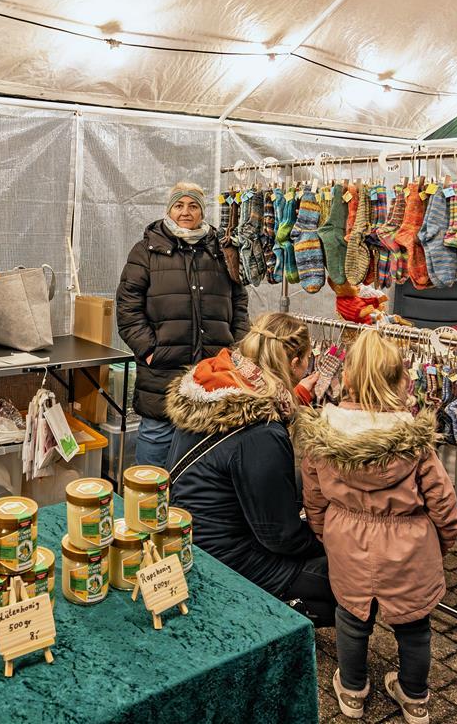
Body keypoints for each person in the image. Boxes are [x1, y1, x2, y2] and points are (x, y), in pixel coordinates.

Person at [297, 330, 457, 724]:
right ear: (400, 380)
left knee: (352, 619)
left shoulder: (323, 435)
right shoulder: (414, 441)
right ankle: (415, 698)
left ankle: (353, 691)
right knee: (415, 624)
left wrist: (324, 533)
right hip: (409, 544)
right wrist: (444, 540)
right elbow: (442, 499)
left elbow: (314, 496)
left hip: (348, 540)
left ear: (347, 379)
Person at [164, 312, 335, 626]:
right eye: (308, 360)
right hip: (219, 558)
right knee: (347, 582)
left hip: (190, 533)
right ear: (295, 362)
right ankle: (275, 622)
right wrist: (327, 540)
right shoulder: (263, 432)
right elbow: (279, 537)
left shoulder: (221, 384)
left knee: (298, 483)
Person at [117, 182, 249, 467]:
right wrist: (151, 350)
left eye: (193, 206)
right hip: (163, 369)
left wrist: (235, 348)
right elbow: (128, 309)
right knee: (156, 442)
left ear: (202, 211)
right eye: (179, 205)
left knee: (203, 453)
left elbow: (239, 302)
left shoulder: (221, 251)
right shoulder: (146, 251)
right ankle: (148, 508)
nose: (185, 212)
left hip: (213, 368)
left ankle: (186, 510)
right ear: (169, 209)